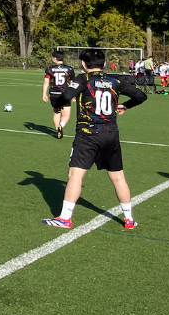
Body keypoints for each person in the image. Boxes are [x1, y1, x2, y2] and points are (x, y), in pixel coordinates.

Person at [42, 48, 148, 230]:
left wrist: (59, 106)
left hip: (87, 134)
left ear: (83, 64)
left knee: (75, 175)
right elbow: (141, 95)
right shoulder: (115, 80)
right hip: (111, 134)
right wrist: (126, 105)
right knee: (118, 177)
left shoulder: (83, 79)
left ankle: (65, 218)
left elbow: (66, 95)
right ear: (104, 64)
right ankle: (129, 219)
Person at [41, 50, 76, 139]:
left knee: (57, 112)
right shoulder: (69, 69)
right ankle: (61, 126)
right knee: (66, 115)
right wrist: (74, 94)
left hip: (53, 93)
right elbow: (73, 83)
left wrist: (44, 94)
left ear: (55, 58)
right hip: (65, 93)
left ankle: (58, 129)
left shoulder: (50, 69)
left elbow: (46, 82)